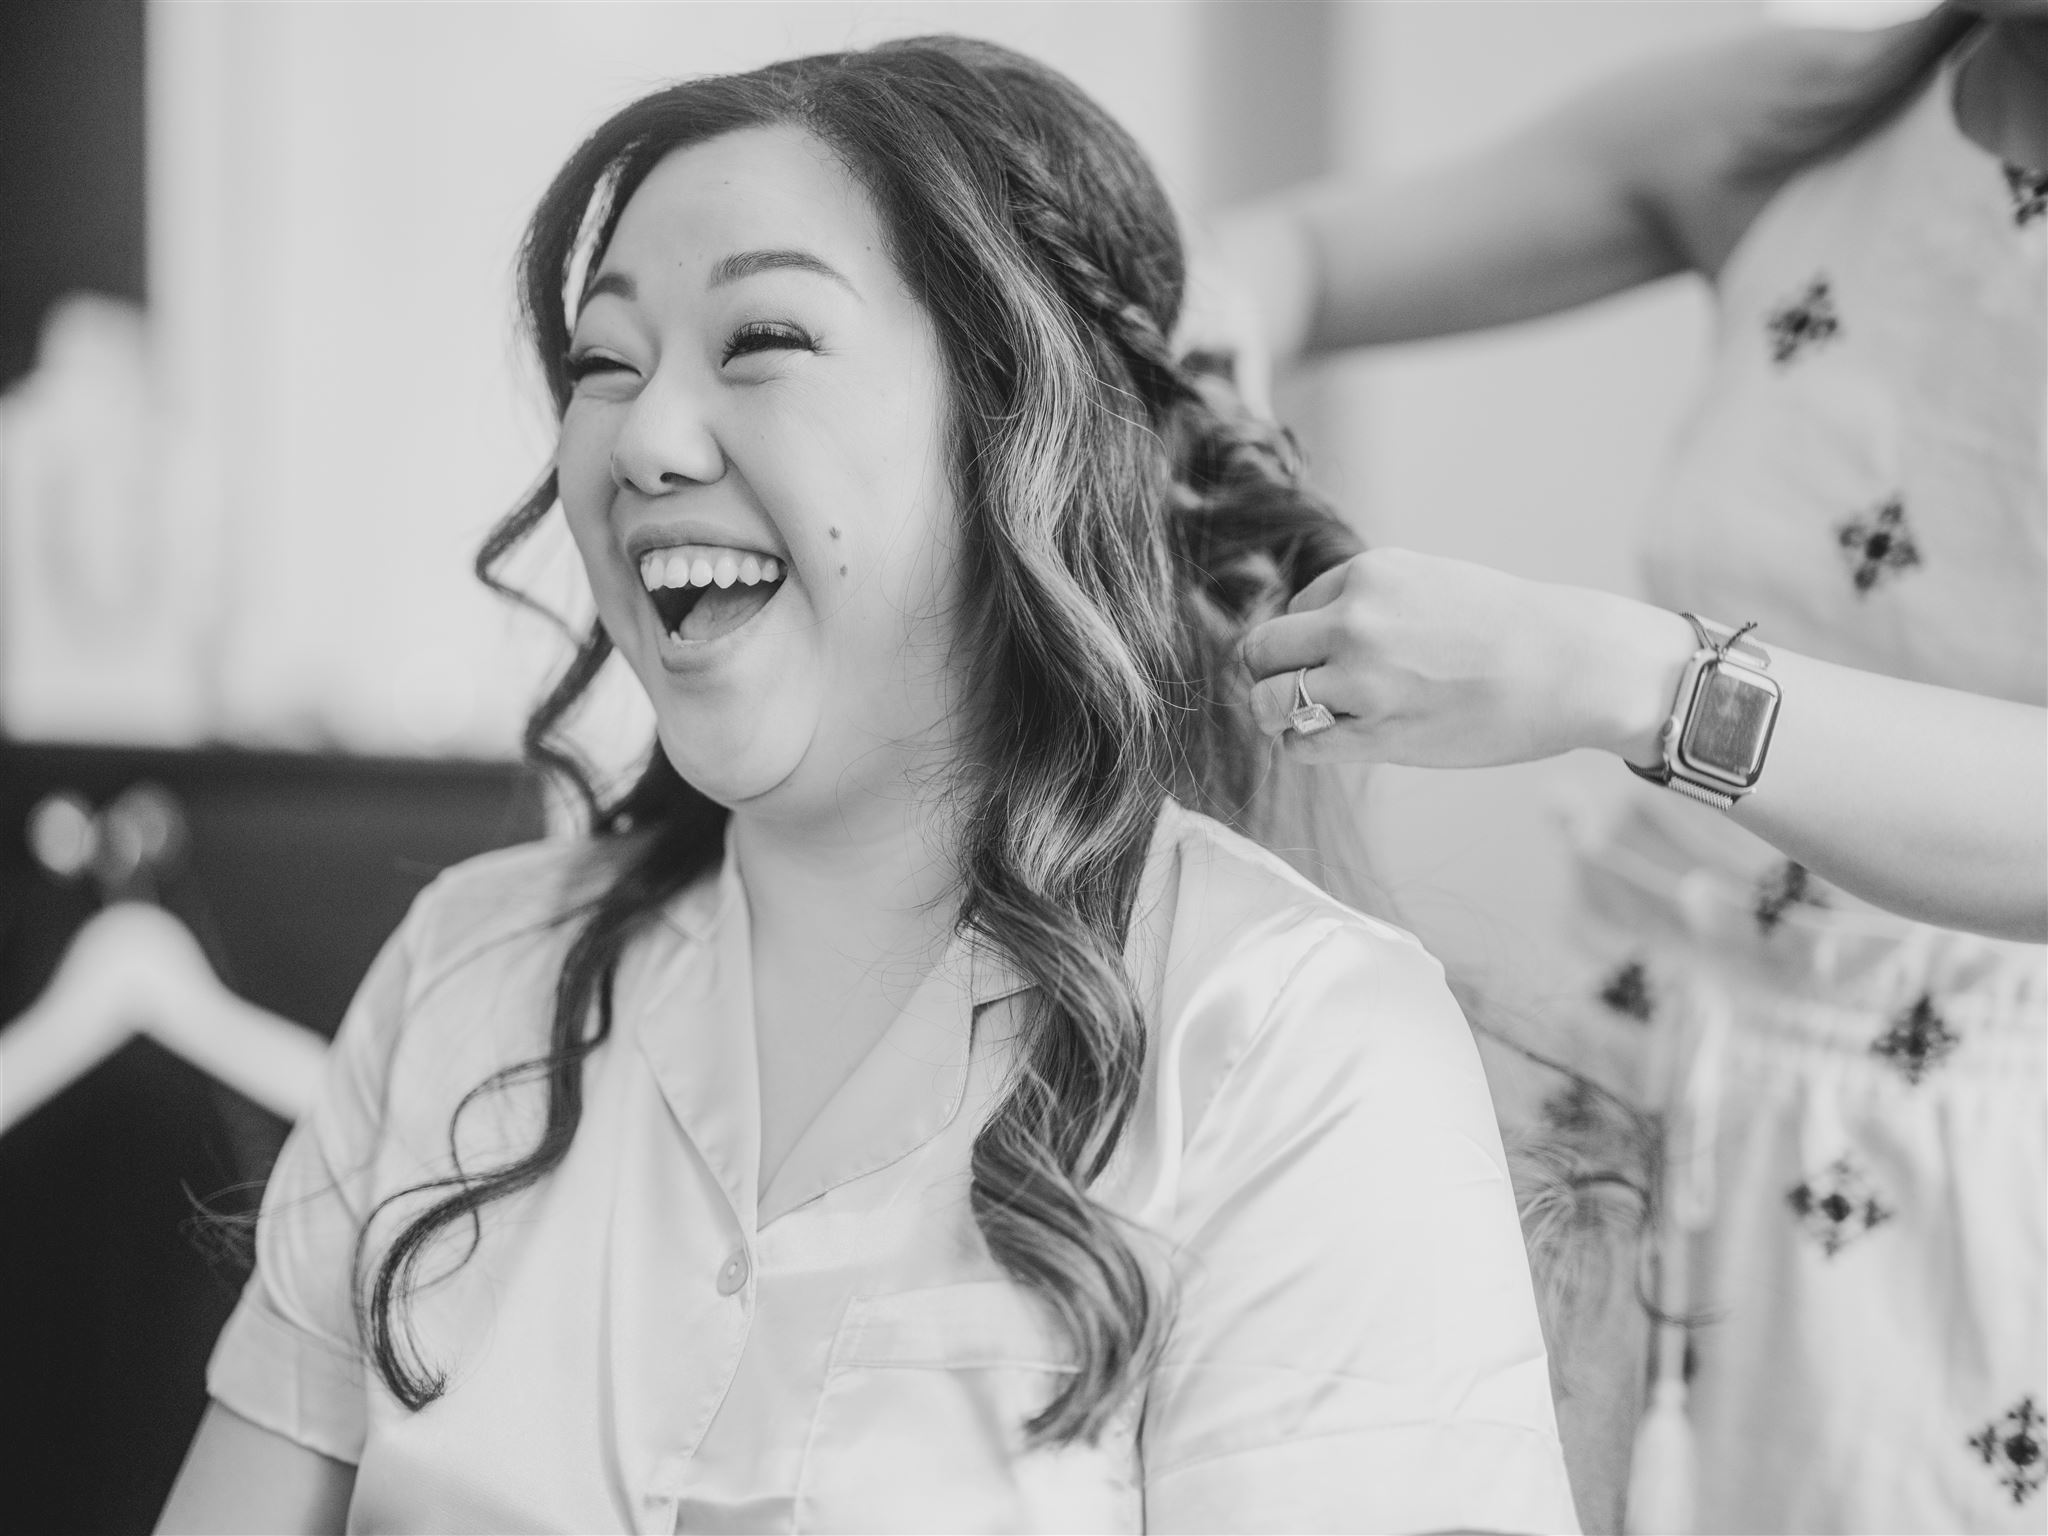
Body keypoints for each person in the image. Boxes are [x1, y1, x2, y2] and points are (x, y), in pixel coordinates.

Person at [155, 37, 1578, 1535]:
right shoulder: (469, 967)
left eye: (761, 340)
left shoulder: (1295, 1042)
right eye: (601, 363)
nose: (641, 437)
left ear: (1022, 430)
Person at [1199, 3, 2045, 1531]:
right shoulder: (1822, 117)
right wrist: (1209, 368)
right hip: (1605, 1077)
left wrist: (1617, 676)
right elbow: (1290, 260)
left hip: (1949, 1199)